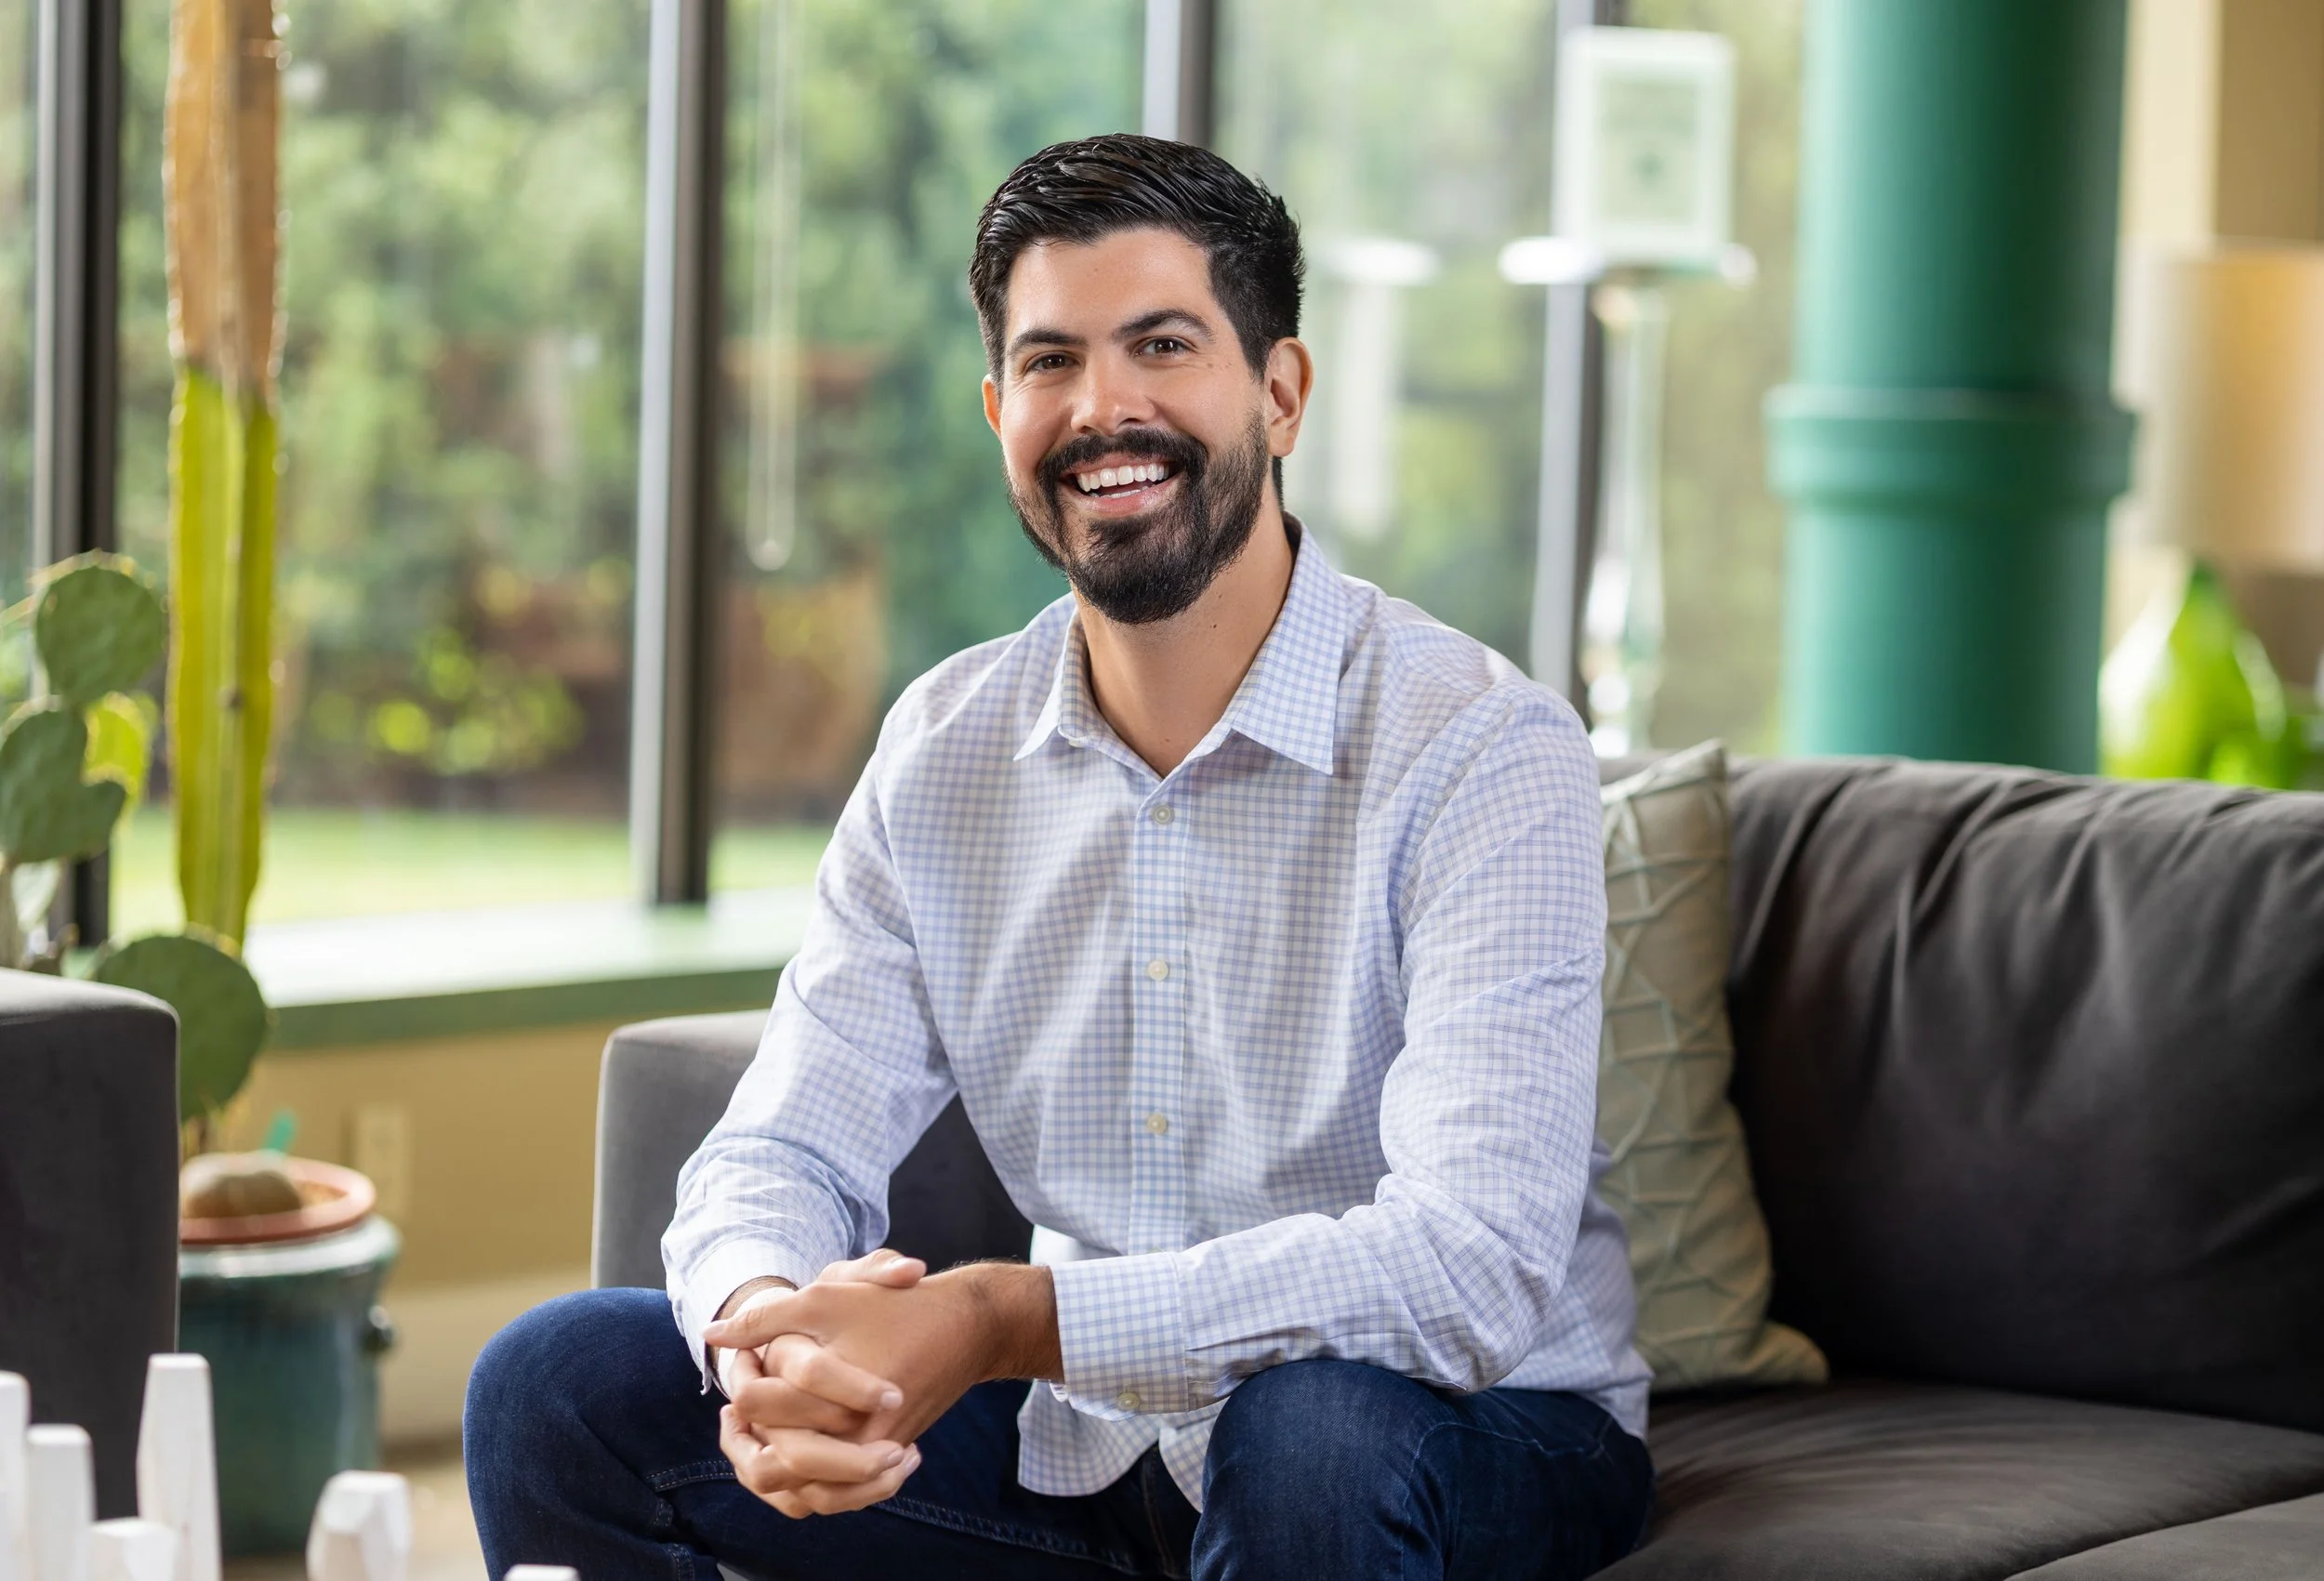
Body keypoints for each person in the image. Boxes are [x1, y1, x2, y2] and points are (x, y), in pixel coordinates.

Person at [466, 132, 1653, 1581]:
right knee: (555, 1389)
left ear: (1279, 392)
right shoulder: (946, 748)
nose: (1104, 409)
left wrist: (994, 1321)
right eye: (1049, 363)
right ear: (996, 408)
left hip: (1467, 1432)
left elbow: (1472, 1268)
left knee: (1313, 1437)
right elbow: (780, 1145)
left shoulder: (1481, 750)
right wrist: (767, 1331)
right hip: (1088, 1449)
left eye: (1162, 345)